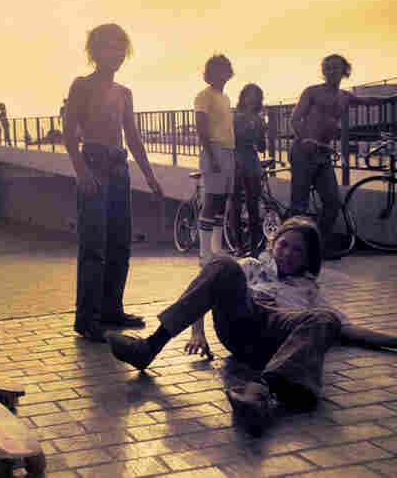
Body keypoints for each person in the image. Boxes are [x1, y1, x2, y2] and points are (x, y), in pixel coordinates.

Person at [106, 217, 397, 436]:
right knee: (222, 264)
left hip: (276, 339)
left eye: (297, 251)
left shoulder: (310, 290)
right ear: (273, 244)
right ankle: (149, 347)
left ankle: (261, 390)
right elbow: (208, 286)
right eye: (283, 245)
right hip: (242, 320)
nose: (287, 253)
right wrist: (198, 333)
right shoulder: (251, 267)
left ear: (308, 259)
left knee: (327, 318)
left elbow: (348, 329)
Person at [63, 23, 164, 342]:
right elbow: (68, 132)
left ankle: (111, 310)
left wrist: (149, 176)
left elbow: (132, 137)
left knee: (120, 242)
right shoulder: (82, 85)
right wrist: (81, 172)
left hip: (120, 168)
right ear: (95, 51)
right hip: (93, 164)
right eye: (109, 47)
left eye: (121, 48)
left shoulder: (124, 93)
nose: (116, 54)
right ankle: (88, 318)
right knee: (94, 245)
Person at [289, 54, 395, 259]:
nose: (331, 71)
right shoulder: (312, 92)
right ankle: (293, 251)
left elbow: (369, 100)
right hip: (303, 151)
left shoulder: (345, 96)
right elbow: (295, 119)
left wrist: (391, 97)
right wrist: (305, 139)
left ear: (344, 71)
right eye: (327, 68)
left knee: (332, 203)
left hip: (323, 153)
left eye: (336, 68)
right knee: (299, 205)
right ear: (323, 71)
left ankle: (314, 245)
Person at [194, 54, 236, 267]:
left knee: (221, 202)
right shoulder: (204, 96)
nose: (222, 73)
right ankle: (204, 253)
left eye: (224, 69)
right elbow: (201, 129)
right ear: (209, 73)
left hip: (229, 151)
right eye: (216, 69)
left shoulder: (225, 97)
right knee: (211, 201)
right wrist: (211, 156)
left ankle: (217, 249)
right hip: (214, 151)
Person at [227, 84, 267, 256]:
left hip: (251, 160)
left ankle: (254, 247)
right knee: (235, 203)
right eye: (248, 95)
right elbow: (229, 139)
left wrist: (261, 130)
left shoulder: (258, 119)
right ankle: (238, 245)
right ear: (242, 97)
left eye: (255, 96)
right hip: (235, 159)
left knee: (253, 205)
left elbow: (261, 146)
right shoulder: (234, 116)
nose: (251, 99)